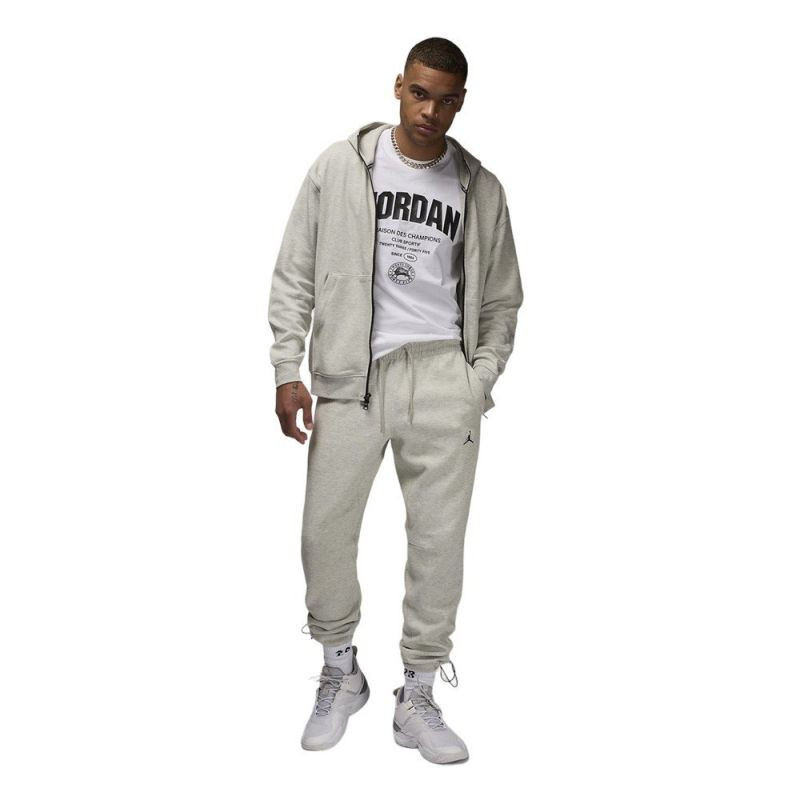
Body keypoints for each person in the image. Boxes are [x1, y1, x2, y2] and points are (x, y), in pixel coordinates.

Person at [267, 37, 523, 764]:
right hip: (352, 377)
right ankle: (340, 671)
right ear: (398, 86)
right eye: (419, 92)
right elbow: (294, 270)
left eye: (445, 99)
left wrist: (477, 381)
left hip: (443, 379)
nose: (429, 110)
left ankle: (417, 694)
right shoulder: (340, 166)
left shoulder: (480, 188)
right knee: (324, 533)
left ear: (461, 103)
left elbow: (502, 298)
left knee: (438, 543)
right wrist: (287, 366)